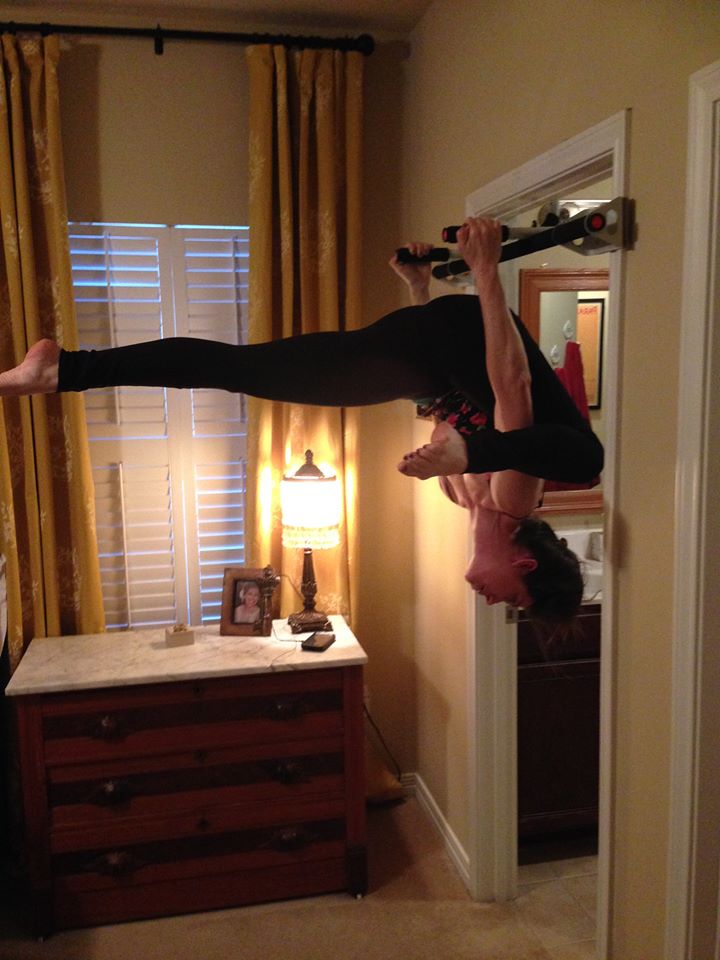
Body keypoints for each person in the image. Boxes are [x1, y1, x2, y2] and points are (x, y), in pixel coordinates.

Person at [0, 219, 602, 625]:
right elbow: (512, 384)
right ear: (524, 564)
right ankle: (62, 370)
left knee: (237, 369)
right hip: (452, 338)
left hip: (433, 351)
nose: (496, 602)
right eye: (514, 599)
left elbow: (455, 401)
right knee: (235, 368)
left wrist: (420, 291)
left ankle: (64, 371)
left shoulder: (464, 497)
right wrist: (487, 270)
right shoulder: (512, 498)